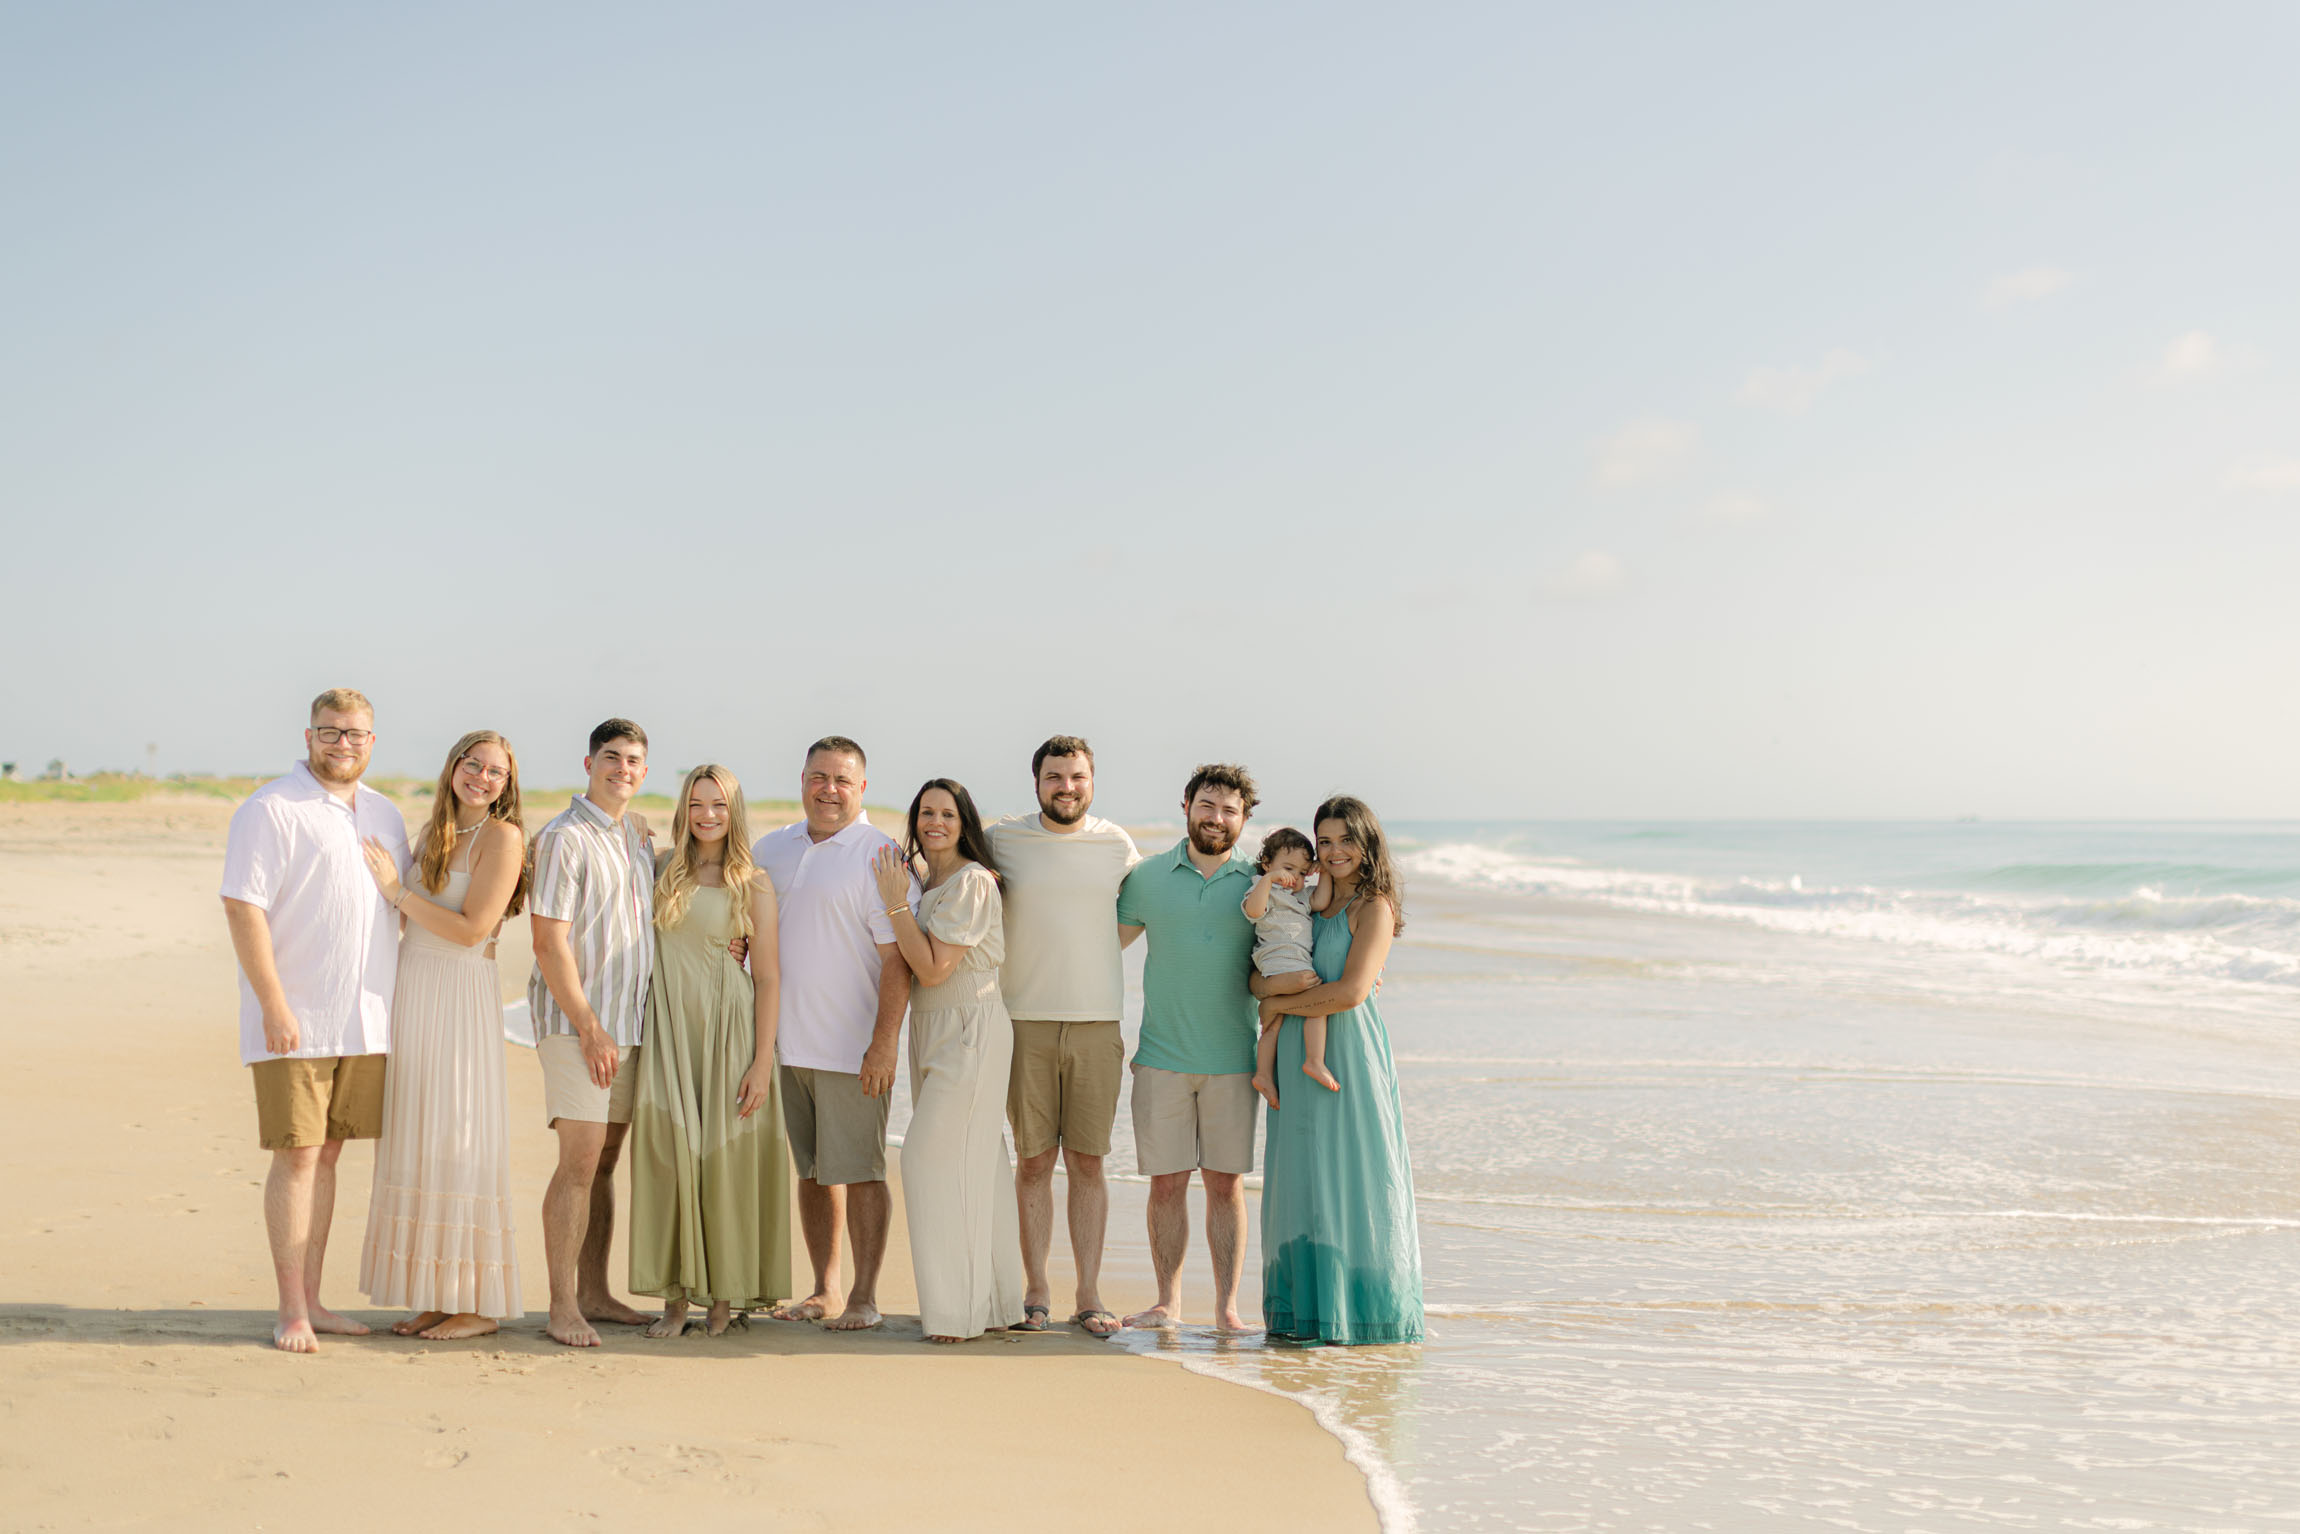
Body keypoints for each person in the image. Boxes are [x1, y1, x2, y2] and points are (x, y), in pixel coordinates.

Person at [220, 687, 409, 1354]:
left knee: (329, 1154)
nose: (343, 744)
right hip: (296, 1016)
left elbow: (402, 905)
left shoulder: (386, 815)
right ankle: (290, 1309)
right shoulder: (271, 809)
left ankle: (318, 1299)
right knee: (297, 1155)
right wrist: (273, 1004)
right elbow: (243, 907)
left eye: (355, 734)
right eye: (331, 732)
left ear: (372, 742)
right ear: (309, 737)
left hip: (367, 1018)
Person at [354, 730, 529, 1341]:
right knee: (418, 1136)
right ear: (453, 767)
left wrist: (396, 890)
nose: (482, 778)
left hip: (459, 995)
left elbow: (472, 931)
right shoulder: (432, 834)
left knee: (459, 1134)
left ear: (508, 785)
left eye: (496, 773)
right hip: (414, 992)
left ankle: (478, 1303)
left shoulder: (502, 839)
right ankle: (438, 1293)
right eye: (473, 765)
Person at [753, 736, 913, 1332]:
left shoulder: (880, 855)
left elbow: (898, 962)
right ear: (802, 779)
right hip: (783, 1045)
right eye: (819, 777)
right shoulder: (772, 848)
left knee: (863, 1172)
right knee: (814, 1172)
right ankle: (825, 1288)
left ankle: (866, 1297)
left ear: (862, 788)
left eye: (843, 780)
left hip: (853, 1049)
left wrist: (884, 1043)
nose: (830, 790)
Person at [1253, 796, 1425, 1346]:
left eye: (1344, 840)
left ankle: (1362, 1316)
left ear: (1366, 841)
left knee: (1355, 1178)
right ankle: (1305, 1315)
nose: (1332, 852)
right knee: (1301, 1180)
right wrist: (1270, 999)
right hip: (1292, 1061)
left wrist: (1281, 1007)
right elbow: (1255, 982)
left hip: (1347, 1054)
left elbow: (1350, 993)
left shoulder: (1374, 908)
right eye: (1323, 842)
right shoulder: (1303, 905)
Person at [628, 764, 791, 1338]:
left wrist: (762, 1061)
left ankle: (725, 1296)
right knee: (671, 1156)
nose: (707, 815)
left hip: (730, 1030)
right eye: (697, 803)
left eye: (718, 805)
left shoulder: (755, 882)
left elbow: (768, 977)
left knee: (724, 1162)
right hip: (672, 1029)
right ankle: (675, 1300)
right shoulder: (661, 869)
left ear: (734, 811)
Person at [985, 735, 1140, 1338]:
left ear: (1092, 782)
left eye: (1076, 777)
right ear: (1036, 783)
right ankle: (1036, 1291)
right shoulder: (1004, 839)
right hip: (1023, 1020)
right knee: (1032, 1161)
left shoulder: (1116, 844)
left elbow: (1141, 916)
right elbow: (939, 865)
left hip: (1098, 1022)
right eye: (1055, 777)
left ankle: (1090, 1292)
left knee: (1088, 1162)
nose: (1066, 787)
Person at [872, 779, 1025, 1342]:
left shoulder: (972, 882)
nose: (935, 822)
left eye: (947, 814)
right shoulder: (923, 881)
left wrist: (893, 904)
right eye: (926, 813)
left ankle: (955, 1314)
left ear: (965, 823)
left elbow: (933, 967)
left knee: (928, 1161)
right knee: (977, 1165)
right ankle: (996, 1303)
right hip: (933, 1028)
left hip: (971, 1026)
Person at [1113, 763, 1263, 1333]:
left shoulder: (1260, 881)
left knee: (1225, 1186)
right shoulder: (1148, 877)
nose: (1216, 818)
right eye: (1207, 805)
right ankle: (1167, 1302)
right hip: (1160, 1057)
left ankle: (1226, 1309)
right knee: (1166, 1183)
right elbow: (1102, 950)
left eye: (1229, 810)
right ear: (1187, 806)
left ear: (1244, 819)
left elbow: (1298, 943)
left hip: (1233, 1060)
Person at [526, 719, 657, 1347]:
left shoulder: (633, 836)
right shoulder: (562, 838)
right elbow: (549, 941)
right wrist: (589, 1027)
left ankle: (595, 1291)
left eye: (633, 760)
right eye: (612, 758)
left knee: (604, 1163)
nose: (622, 769)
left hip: (629, 1026)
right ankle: (560, 1306)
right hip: (578, 1026)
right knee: (578, 1163)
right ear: (588, 763)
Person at [1243, 827, 1338, 1107]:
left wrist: (1325, 873)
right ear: (1266, 863)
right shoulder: (1263, 890)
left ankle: (1264, 1074)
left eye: (1301, 872)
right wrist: (1268, 880)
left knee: (1275, 1024)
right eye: (1287, 868)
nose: (1292, 878)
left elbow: (1321, 900)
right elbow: (1254, 911)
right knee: (1317, 1004)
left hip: (1296, 963)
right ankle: (1314, 1060)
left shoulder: (1301, 896)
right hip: (1277, 961)